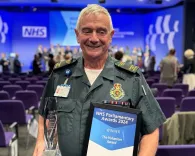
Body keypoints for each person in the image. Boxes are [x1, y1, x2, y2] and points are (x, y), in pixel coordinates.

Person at [33, 4, 166, 156]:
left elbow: (151, 130)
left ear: (111, 36)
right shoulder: (59, 75)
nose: (94, 38)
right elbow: (45, 112)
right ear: (77, 35)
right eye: (87, 31)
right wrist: (40, 141)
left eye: (101, 32)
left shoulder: (132, 79)